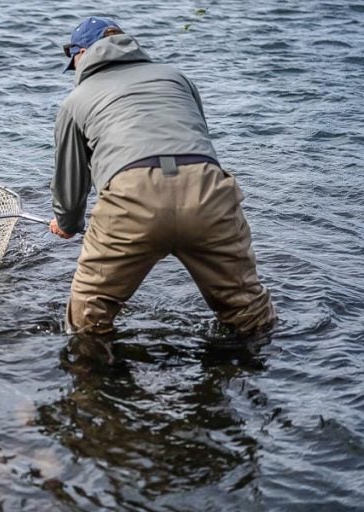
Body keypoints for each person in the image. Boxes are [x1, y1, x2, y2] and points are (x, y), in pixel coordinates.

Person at [49, 16, 276, 338]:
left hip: (132, 199)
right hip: (207, 190)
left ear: (81, 53)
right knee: (248, 310)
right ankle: (253, 376)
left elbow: (70, 179)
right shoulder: (174, 78)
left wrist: (67, 223)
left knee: (88, 316)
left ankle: (95, 382)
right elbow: (198, 137)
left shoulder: (75, 101)